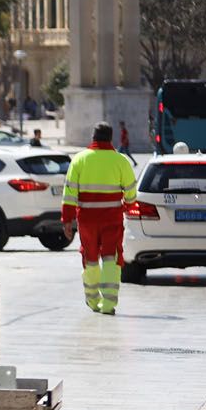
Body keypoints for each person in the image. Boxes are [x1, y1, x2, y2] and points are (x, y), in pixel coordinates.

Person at [61, 122, 139, 315]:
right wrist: (128, 205)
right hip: (112, 219)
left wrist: (67, 220)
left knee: (90, 258)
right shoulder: (120, 161)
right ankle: (109, 304)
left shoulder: (79, 160)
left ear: (93, 138)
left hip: (87, 219)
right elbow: (131, 193)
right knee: (110, 257)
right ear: (110, 138)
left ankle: (92, 300)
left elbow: (69, 194)